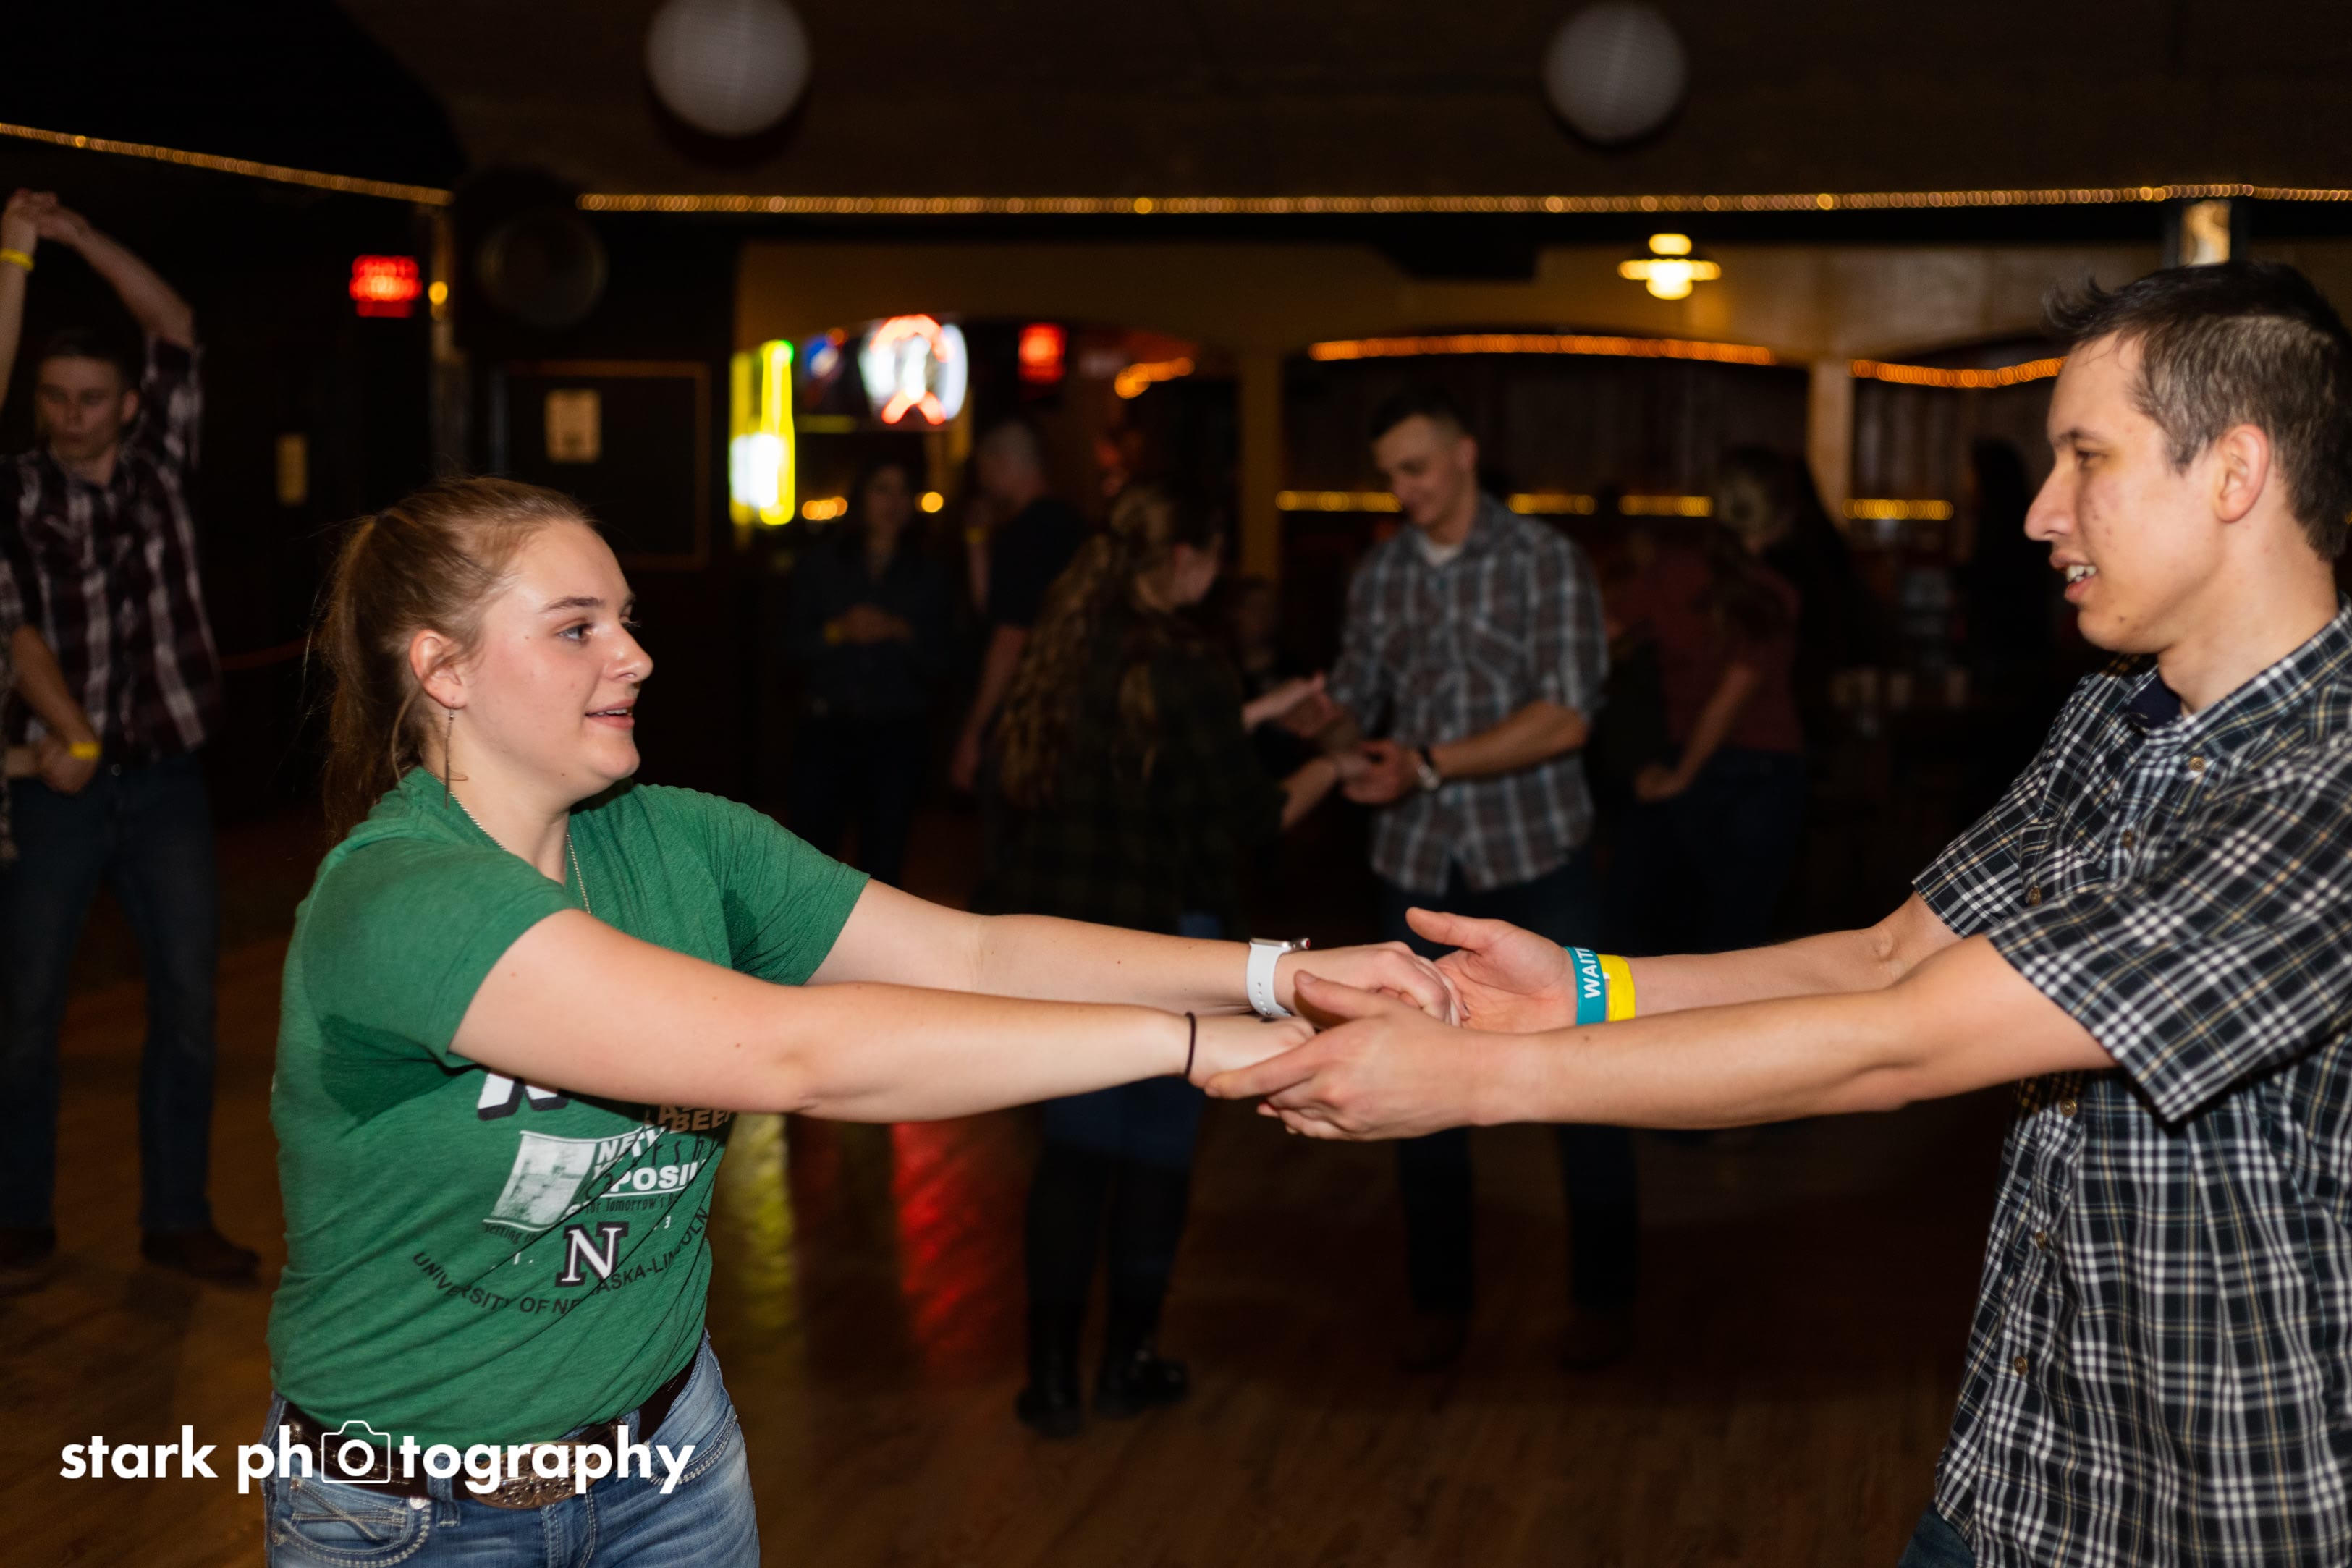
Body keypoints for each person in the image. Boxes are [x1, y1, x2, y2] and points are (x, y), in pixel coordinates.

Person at [1217, 260, 2352, 1568]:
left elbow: (1904, 1040)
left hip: (2219, 1513)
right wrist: (1586, 988)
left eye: (2085, 457)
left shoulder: (2327, 778)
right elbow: (1883, 956)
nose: (2042, 511)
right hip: (2023, 1468)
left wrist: (1475, 1078)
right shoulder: (2115, 714)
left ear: (2234, 471)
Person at [263, 475, 1450, 1565]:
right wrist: (1185, 1045)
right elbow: (798, 1053)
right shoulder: (401, 897)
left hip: (666, 1464)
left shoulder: (683, 840)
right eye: (577, 628)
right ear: (445, 669)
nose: (634, 655)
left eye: (625, 618)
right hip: (411, 1513)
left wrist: (1279, 977)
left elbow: (974, 952)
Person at [983, 485, 1353, 1437]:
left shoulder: (1066, 641)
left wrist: (1259, 709)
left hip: (1063, 944)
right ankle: (1129, 1361)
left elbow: (1142, 746)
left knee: (1071, 1157)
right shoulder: (1185, 662)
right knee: (1153, 1159)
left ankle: (1050, 1378)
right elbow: (1253, 815)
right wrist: (1334, 764)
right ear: (1185, 558)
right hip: (1168, 942)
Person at [1286, 386, 1636, 1373]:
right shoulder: (1382, 572)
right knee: (1413, 1084)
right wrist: (1330, 729)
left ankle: (1605, 1301)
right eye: (1389, 474)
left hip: (1536, 860)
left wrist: (1430, 764)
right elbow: (1361, 698)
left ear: (1465, 453)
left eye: (1416, 466)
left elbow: (1566, 716)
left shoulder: (1542, 560)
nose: (1403, 489)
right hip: (1416, 865)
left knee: (1588, 1075)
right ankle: (1438, 1303)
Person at [0, 190, 251, 1287]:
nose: (71, 415)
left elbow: (176, 324)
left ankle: (175, 1217)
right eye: (54, 397)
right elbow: (18, 638)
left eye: (92, 398)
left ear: (129, 403)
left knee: (189, 1003)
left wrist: (77, 236)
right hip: (54, 783)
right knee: (26, 1012)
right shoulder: (17, 494)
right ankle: (18, 1217)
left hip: (168, 783)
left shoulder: (160, 468)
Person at [1605, 499, 1807, 957]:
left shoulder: (1671, 571)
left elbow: (1592, 638)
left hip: (1697, 763)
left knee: (1657, 932)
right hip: (1755, 772)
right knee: (1733, 941)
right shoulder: (1773, 591)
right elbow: (1731, 696)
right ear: (1781, 522)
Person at [782, 454, 952, 888]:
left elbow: (947, 659)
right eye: (882, 489)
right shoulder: (821, 565)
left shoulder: (930, 572)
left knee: (884, 860)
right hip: (827, 727)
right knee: (811, 856)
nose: (894, 502)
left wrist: (901, 631)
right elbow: (788, 646)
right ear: (861, 498)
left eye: (903, 491)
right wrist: (839, 631)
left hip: (897, 732)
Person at [948, 420, 1086, 793]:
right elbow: (994, 609)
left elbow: (1010, 634)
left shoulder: (1028, 533)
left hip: (1029, 714)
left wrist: (974, 730)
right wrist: (977, 542)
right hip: (1065, 705)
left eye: (983, 468)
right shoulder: (1069, 522)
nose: (981, 482)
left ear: (1001, 462)